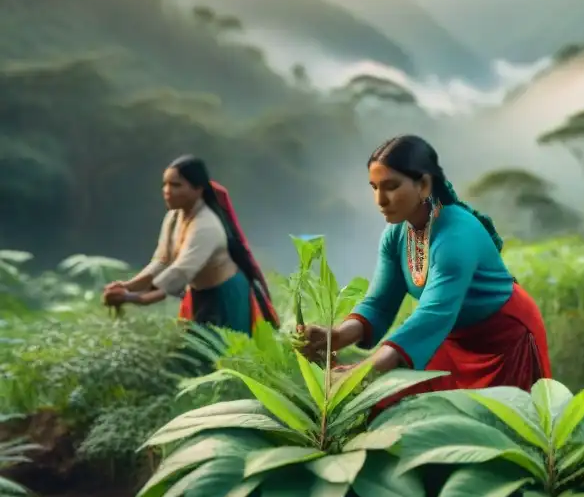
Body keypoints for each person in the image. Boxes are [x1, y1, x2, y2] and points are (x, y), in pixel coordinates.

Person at [299, 135, 551, 397]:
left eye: (391, 186)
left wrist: (359, 373)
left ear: (424, 185)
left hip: (504, 341)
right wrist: (336, 337)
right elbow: (379, 303)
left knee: (497, 428)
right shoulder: (396, 234)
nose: (380, 200)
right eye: (374, 187)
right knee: (398, 407)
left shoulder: (455, 236)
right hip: (449, 337)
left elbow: (431, 315)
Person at [102, 155, 278, 333]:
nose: (167, 191)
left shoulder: (206, 226)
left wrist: (132, 297)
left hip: (225, 297)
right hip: (198, 294)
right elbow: (162, 262)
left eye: (176, 185)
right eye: (165, 184)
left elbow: (180, 272)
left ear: (198, 189)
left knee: (225, 355)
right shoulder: (173, 217)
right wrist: (127, 286)